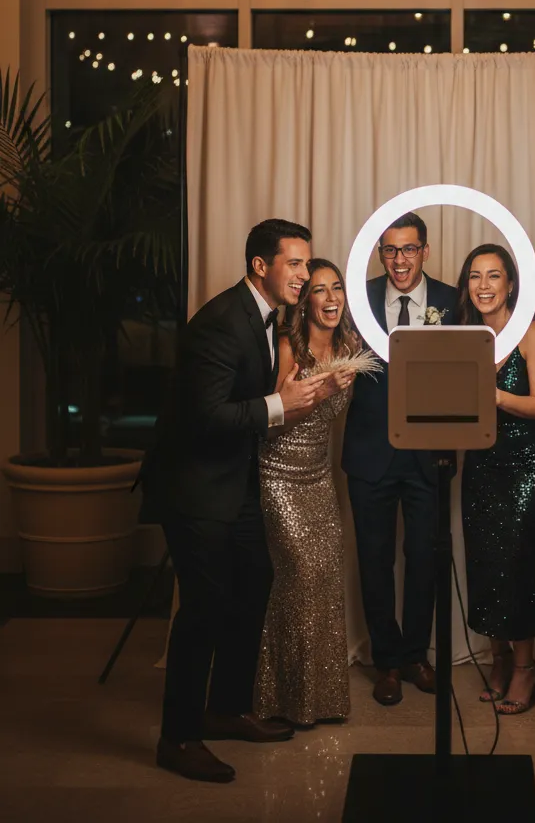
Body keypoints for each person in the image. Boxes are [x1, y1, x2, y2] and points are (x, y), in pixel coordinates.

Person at [141, 219, 335, 784]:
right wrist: (280, 403)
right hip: (195, 488)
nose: (304, 274)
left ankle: (225, 708)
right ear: (260, 266)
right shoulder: (222, 322)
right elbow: (206, 416)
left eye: (307, 263)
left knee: (253, 585)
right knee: (202, 609)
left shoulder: (264, 317)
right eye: (294, 264)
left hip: (233, 481)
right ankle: (176, 738)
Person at [342, 212, 457, 706]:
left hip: (429, 453)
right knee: (373, 560)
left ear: (425, 251)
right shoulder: (355, 299)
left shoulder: (453, 300)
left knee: (426, 559)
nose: (399, 259)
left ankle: (416, 655)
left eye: (409, 249)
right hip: (370, 451)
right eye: (390, 250)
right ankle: (386, 661)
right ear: (379, 253)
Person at [459, 244, 535, 715]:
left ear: (511, 285)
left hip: (529, 462)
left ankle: (526, 668)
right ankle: (497, 660)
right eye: (475, 276)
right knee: (485, 562)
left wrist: (492, 394)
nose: (483, 285)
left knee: (514, 562)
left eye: (493, 276)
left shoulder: (532, 332)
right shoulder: (466, 336)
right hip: (480, 464)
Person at [255, 259, 357, 728]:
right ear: (306, 300)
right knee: (296, 579)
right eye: (321, 290)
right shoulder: (287, 347)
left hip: (319, 478)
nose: (332, 298)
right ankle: (280, 699)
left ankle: (322, 699)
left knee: (326, 579)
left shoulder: (350, 347)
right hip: (279, 476)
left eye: (337, 288)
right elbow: (272, 423)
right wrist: (321, 390)